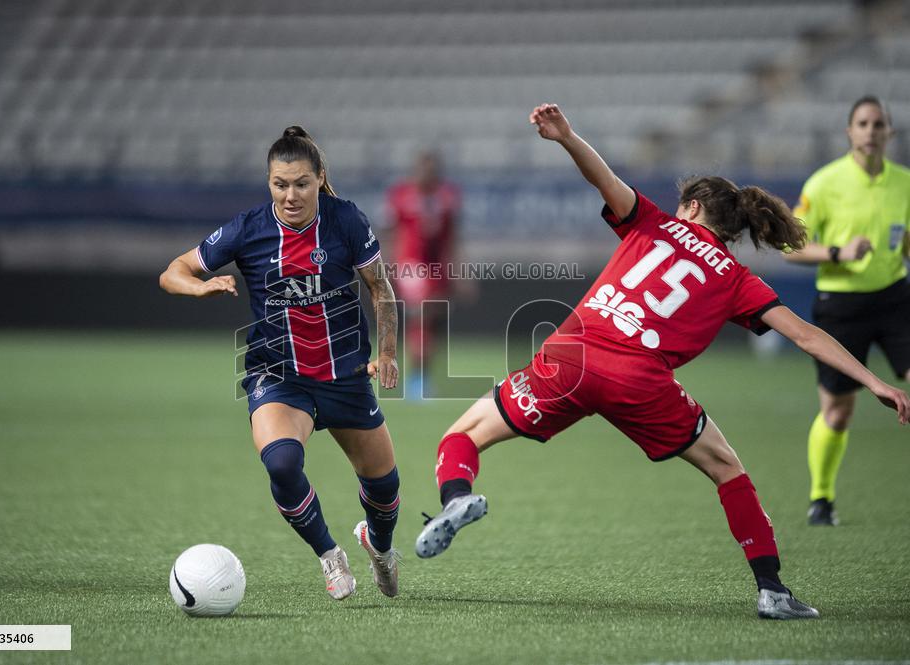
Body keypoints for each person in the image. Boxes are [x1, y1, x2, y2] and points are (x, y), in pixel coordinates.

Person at [415, 104, 910, 620]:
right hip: (639, 381)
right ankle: (772, 590)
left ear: (693, 207)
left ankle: (456, 498)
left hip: (572, 356)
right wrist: (874, 381)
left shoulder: (650, 223)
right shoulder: (738, 279)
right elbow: (807, 335)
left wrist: (566, 136)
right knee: (726, 469)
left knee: (465, 434)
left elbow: (602, 178)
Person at [160, 126, 402, 601]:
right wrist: (199, 286)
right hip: (278, 376)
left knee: (386, 493)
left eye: (301, 184)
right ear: (269, 182)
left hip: (345, 375)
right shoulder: (246, 230)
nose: (290, 195)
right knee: (283, 462)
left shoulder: (346, 220)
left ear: (320, 180)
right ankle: (330, 555)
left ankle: (379, 546)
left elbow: (381, 288)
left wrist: (388, 353)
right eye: (280, 184)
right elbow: (174, 271)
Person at [784, 95, 910, 526]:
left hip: (895, 299)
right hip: (841, 306)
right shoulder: (824, 183)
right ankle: (821, 499)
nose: (871, 131)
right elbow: (791, 245)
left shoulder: (904, 183)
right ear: (850, 132)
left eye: (879, 124)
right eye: (863, 123)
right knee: (838, 411)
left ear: (889, 132)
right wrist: (839, 251)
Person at [385, 150, 463, 398]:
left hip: (437, 268)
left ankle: (420, 377)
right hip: (410, 265)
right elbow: (390, 232)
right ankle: (416, 382)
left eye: (431, 169)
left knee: (433, 322)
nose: (427, 174)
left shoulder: (448, 197)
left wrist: (460, 272)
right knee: (422, 314)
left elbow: (453, 238)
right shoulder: (400, 195)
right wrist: (384, 268)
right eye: (423, 169)